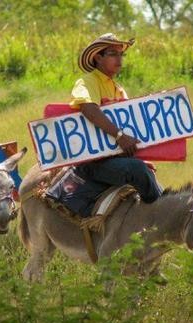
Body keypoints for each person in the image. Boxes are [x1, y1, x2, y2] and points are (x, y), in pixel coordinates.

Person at [69, 33, 162, 203]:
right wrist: (119, 136)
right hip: (93, 162)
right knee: (138, 170)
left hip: (117, 158)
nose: (119, 59)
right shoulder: (88, 81)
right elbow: (88, 107)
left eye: (121, 54)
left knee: (150, 176)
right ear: (98, 57)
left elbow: (130, 128)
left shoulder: (119, 89)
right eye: (113, 54)